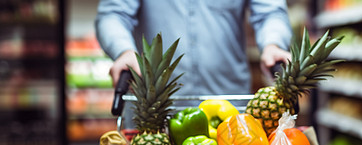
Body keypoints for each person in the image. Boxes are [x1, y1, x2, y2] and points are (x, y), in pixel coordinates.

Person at [95, 0, 293, 95]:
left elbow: (270, 13)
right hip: (154, 110)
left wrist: (273, 43)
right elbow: (112, 15)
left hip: (228, 103)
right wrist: (124, 50)